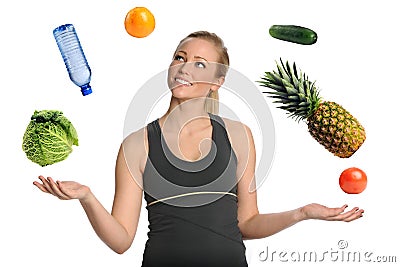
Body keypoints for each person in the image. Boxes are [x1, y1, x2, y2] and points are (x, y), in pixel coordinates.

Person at [34, 31, 364, 267]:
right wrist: (88, 198)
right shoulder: (136, 144)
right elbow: (121, 241)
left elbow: (247, 224)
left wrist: (301, 214)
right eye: (180, 58)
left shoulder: (239, 135)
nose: (185, 68)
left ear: (218, 81)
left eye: (200, 64)